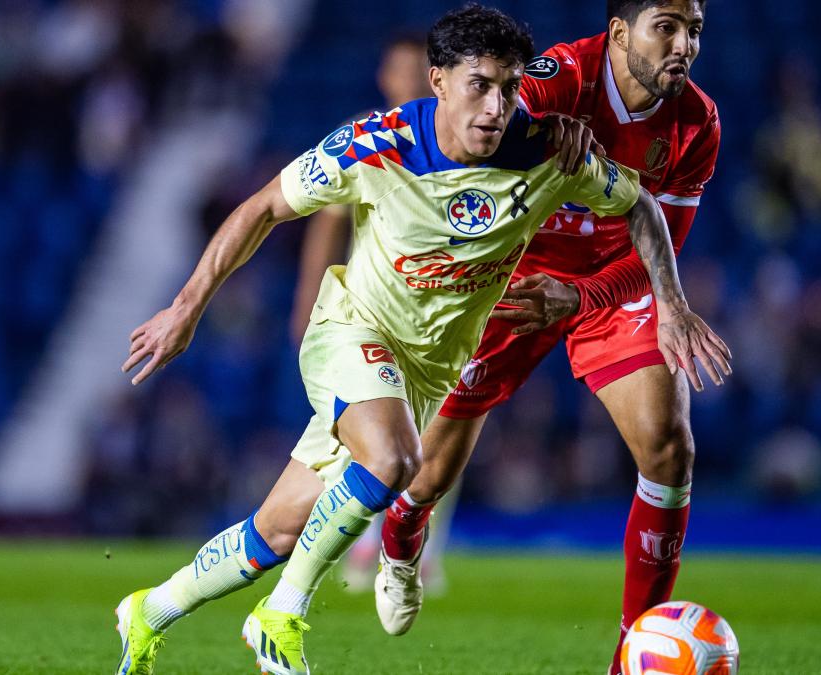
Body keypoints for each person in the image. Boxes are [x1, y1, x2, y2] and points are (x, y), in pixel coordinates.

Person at [112, 5, 726, 674]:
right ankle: (282, 615)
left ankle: (150, 609)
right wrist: (186, 306)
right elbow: (262, 206)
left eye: (508, 89)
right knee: (393, 462)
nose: (496, 106)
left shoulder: (552, 149)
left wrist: (669, 302)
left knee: (280, 528)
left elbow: (640, 205)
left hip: (433, 364)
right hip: (355, 331)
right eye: (478, 86)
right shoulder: (376, 144)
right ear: (437, 82)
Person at [371, 3, 727, 673]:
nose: (685, 45)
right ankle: (404, 525)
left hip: (608, 287)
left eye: (695, 30)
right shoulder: (557, 77)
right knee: (432, 471)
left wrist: (606, 296)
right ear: (621, 33)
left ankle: (633, 652)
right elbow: (476, 132)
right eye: (668, 27)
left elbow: (660, 250)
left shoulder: (696, 123)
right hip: (515, 274)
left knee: (669, 444)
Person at [287, 33, 456, 595]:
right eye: (399, 68)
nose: (408, 79)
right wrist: (308, 298)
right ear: (386, 77)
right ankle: (362, 543)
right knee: (375, 434)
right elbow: (327, 221)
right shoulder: (366, 137)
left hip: (441, 314)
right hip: (372, 310)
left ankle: (420, 544)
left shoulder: (462, 135)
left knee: (443, 427)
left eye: (418, 68)